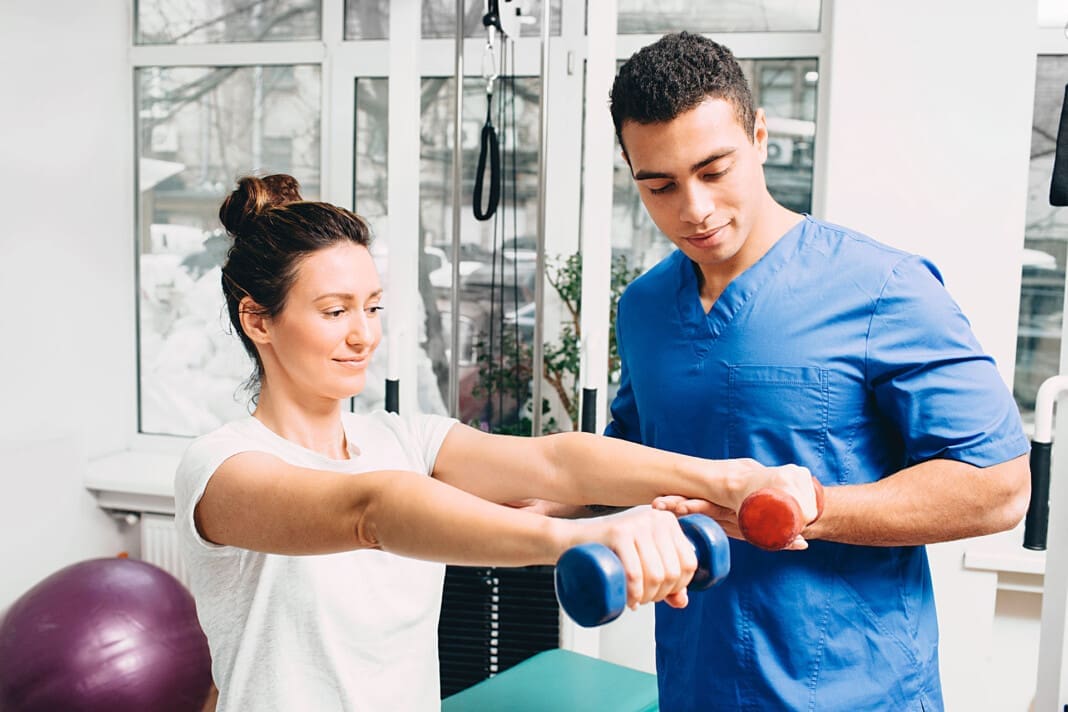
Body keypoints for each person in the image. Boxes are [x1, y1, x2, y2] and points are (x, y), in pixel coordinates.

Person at [172, 173, 818, 712]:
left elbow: (556, 461)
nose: (365, 335)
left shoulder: (401, 437)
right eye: (335, 311)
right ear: (259, 318)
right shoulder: (222, 468)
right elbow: (370, 510)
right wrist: (580, 538)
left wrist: (727, 480)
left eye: (372, 307)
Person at [604, 32, 1031, 711]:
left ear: (761, 135)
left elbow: (1001, 487)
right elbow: (622, 455)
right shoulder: (646, 307)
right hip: (695, 686)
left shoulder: (883, 286)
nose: (694, 209)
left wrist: (818, 507)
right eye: (659, 185)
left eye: (714, 171)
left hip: (856, 691)